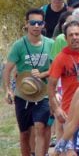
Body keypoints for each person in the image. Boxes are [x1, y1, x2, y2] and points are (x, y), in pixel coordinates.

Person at [3, 8, 54, 156]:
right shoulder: (19, 45)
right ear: (27, 24)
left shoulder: (50, 44)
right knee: (24, 133)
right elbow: (7, 69)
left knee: (40, 127)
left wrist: (43, 73)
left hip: (43, 94)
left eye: (39, 23)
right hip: (23, 94)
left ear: (44, 24)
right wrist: (8, 90)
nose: (36, 26)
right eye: (33, 23)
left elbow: (56, 69)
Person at [48, 20, 79, 132]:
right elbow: (51, 86)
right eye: (71, 35)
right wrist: (56, 109)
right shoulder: (60, 58)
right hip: (70, 110)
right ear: (65, 39)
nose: (74, 37)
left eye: (77, 34)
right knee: (71, 148)